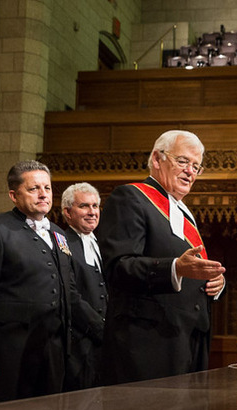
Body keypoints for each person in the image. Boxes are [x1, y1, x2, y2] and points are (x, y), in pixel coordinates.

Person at [0, 161, 103, 404]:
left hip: (55, 354)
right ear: (13, 195)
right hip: (11, 354)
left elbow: (69, 292)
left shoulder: (59, 234)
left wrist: (103, 331)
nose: (43, 194)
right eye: (33, 188)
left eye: (47, 188)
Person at [96, 130, 226, 384]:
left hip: (189, 341)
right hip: (147, 344)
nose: (190, 171)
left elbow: (193, 270)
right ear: (157, 159)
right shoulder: (131, 198)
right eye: (183, 161)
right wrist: (175, 268)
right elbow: (118, 267)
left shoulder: (185, 213)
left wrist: (216, 284)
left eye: (196, 166)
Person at [61, 182, 107, 390]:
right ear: (67, 212)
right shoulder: (62, 244)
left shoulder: (101, 244)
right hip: (78, 344)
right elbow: (69, 294)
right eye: (84, 206)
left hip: (103, 344)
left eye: (95, 206)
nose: (92, 212)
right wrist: (100, 327)